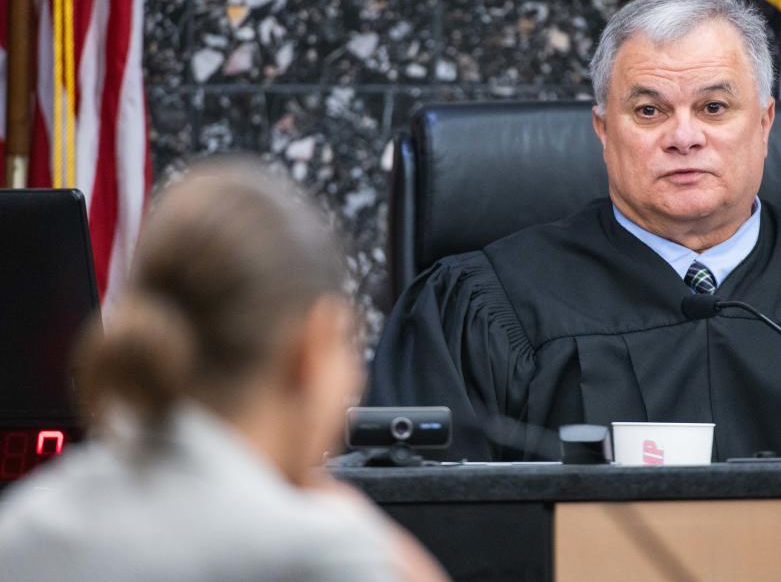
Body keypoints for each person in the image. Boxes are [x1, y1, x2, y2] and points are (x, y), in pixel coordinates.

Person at [367, 0, 781, 462]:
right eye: (649, 110)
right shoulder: (486, 308)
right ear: (603, 131)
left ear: (765, 122)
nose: (684, 137)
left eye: (714, 107)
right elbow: (427, 518)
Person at [0, 162, 448, 582]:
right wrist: (353, 516)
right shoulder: (320, 550)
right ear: (312, 344)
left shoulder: (23, 528)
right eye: (347, 345)